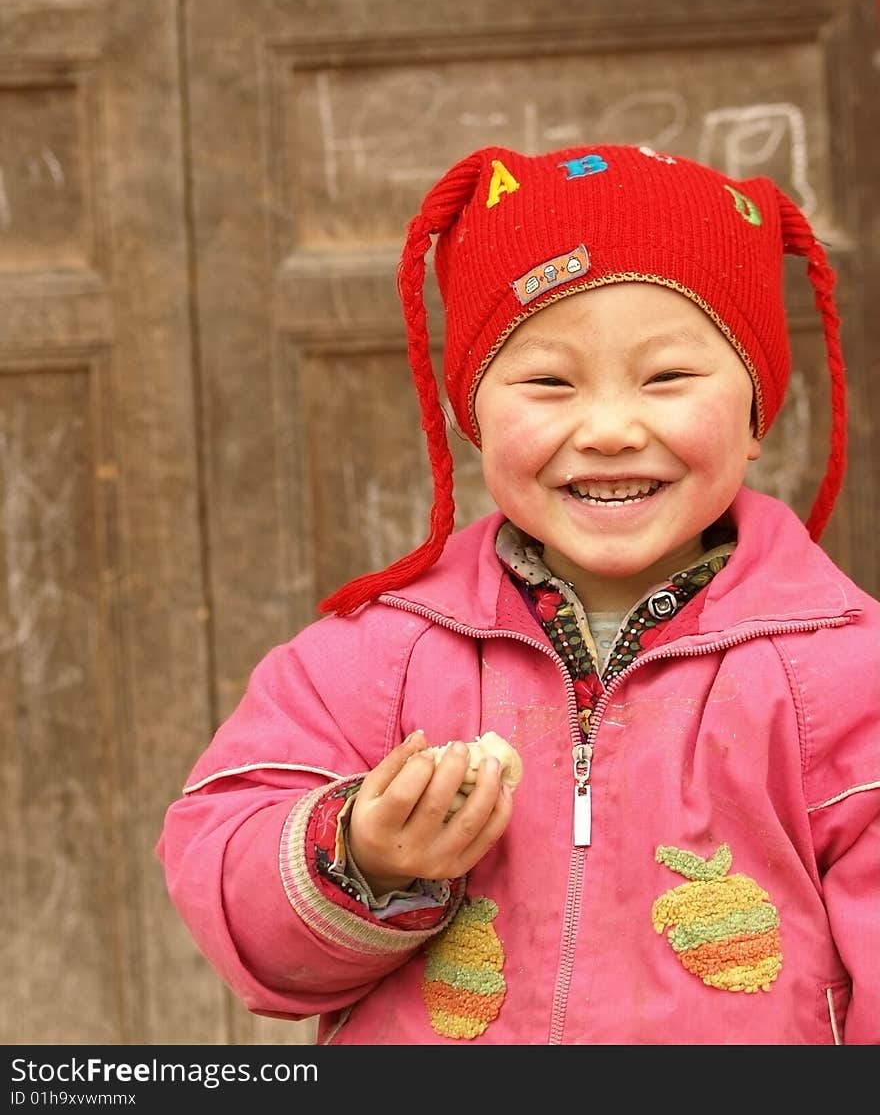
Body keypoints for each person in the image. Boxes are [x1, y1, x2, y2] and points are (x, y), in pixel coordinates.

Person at [157, 143, 879, 1045]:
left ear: (755, 412)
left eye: (668, 378)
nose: (610, 429)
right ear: (473, 411)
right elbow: (226, 868)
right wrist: (364, 855)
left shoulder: (846, 675)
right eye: (547, 382)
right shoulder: (381, 655)